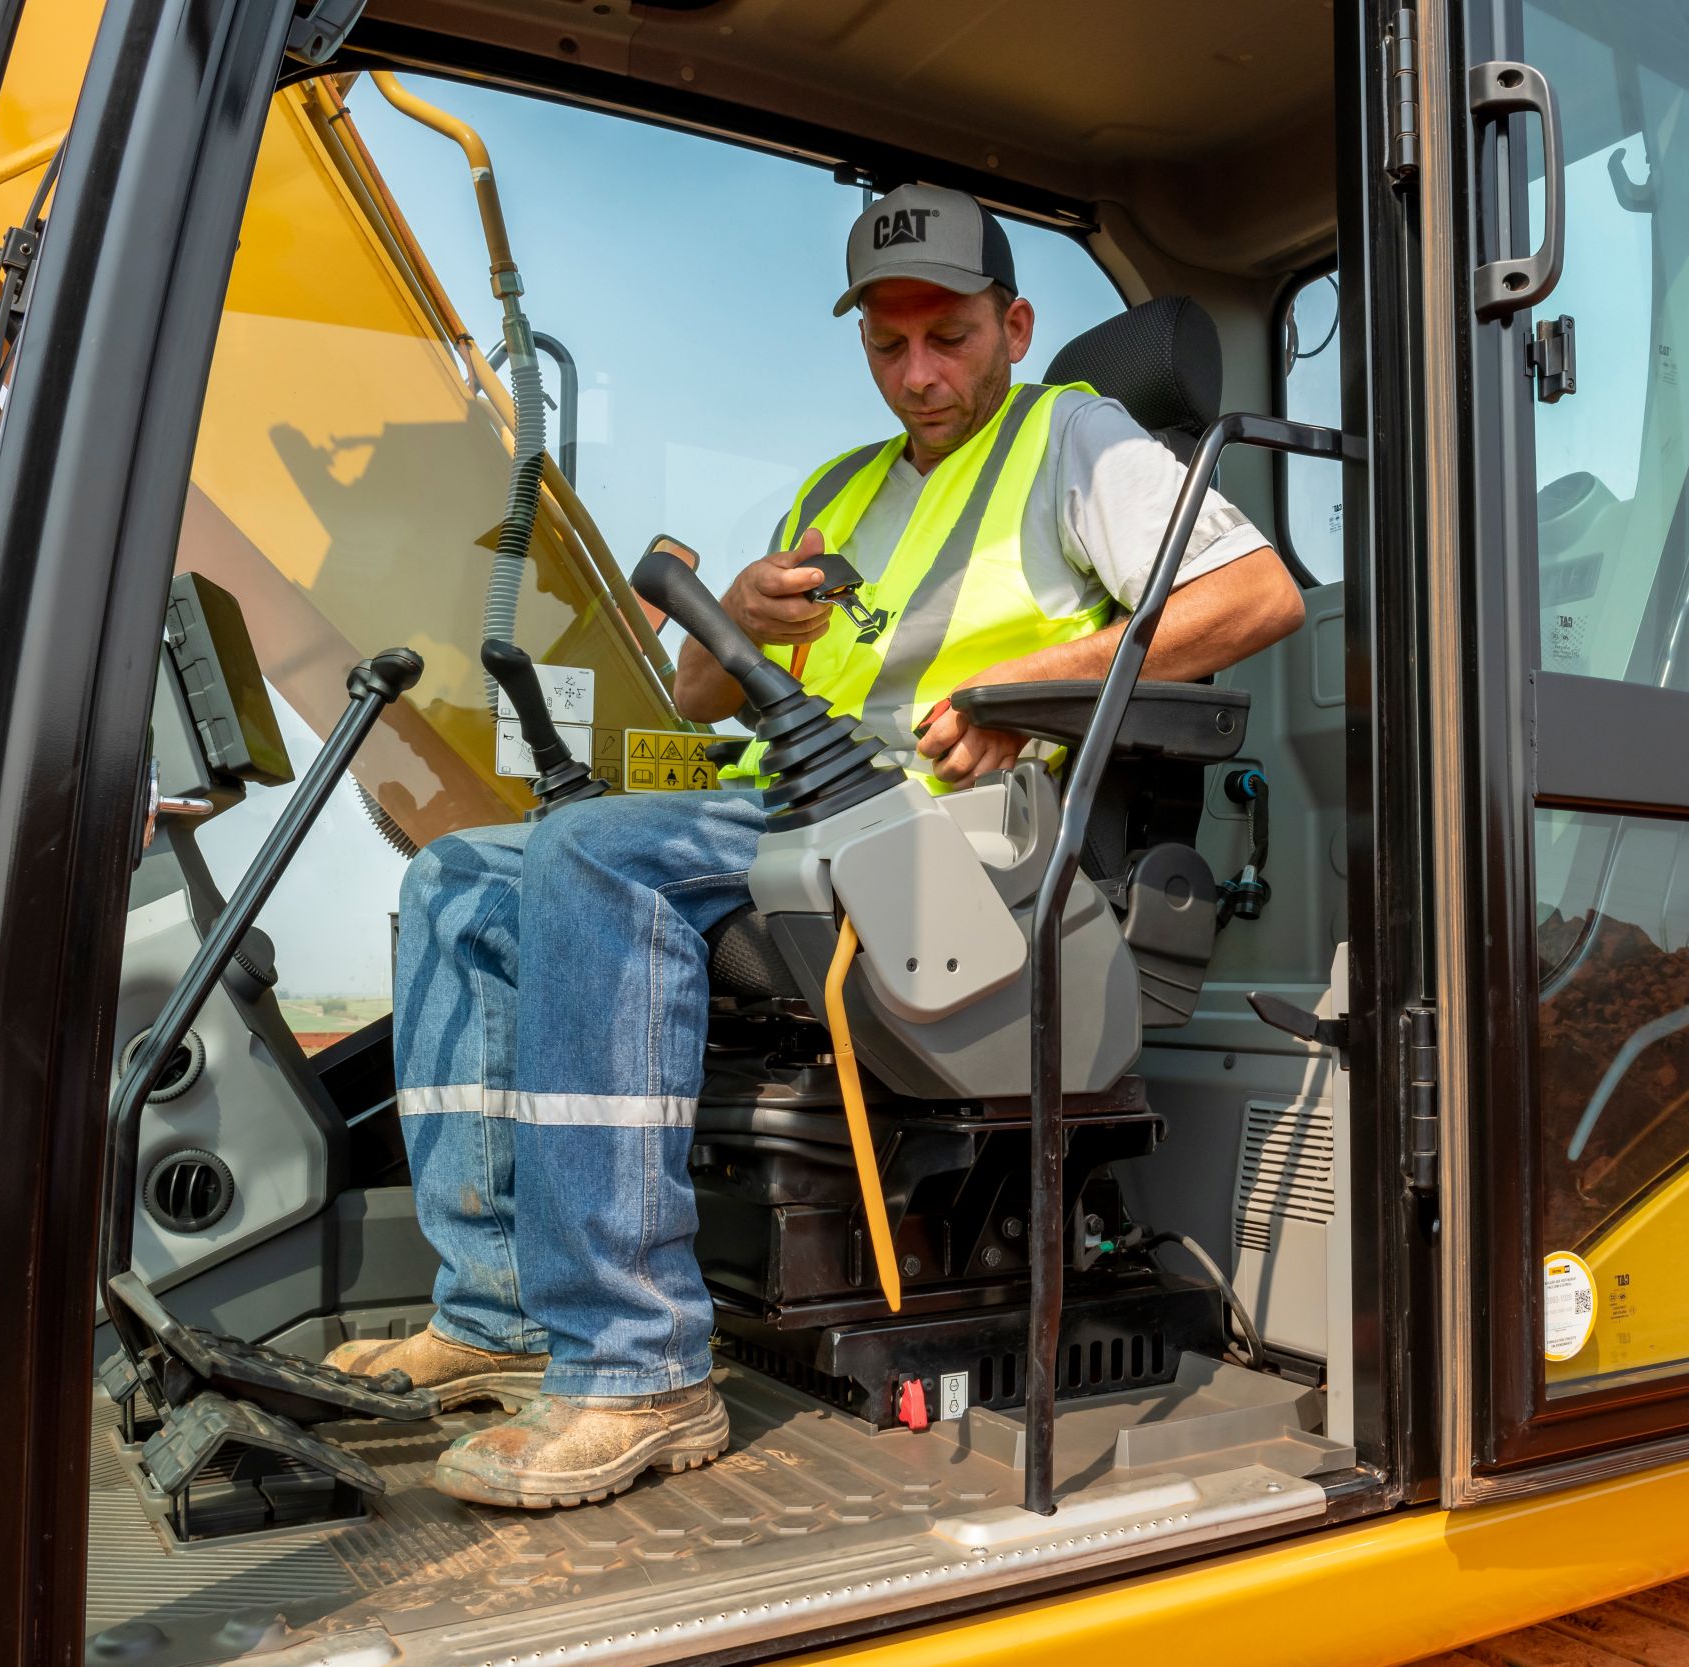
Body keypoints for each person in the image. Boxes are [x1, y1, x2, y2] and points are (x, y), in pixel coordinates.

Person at [334, 184, 1306, 1510]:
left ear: (1014, 325)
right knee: (460, 876)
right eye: (889, 343)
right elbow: (696, 697)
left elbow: (1255, 595)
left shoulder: (1076, 441)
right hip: (805, 819)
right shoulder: (837, 489)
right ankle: (498, 1316)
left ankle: (636, 1367)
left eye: (950, 338)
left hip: (952, 837)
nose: (919, 373)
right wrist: (728, 615)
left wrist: (1039, 688)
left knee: (594, 856)